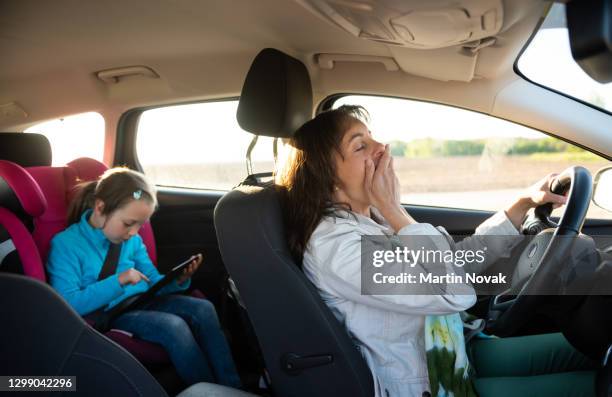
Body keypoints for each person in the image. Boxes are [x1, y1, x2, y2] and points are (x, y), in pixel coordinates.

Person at [277, 105, 597, 397]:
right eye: (360, 145)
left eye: (373, 139)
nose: (382, 149)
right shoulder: (338, 248)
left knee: (589, 348)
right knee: (590, 387)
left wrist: (523, 203)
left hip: (452, 354)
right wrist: (394, 209)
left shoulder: (369, 221)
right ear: (327, 179)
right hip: (429, 381)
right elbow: (453, 291)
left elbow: (455, 262)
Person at [47, 167, 241, 389]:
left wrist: (176, 281)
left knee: (204, 308)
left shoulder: (132, 241)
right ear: (100, 208)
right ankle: (208, 391)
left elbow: (152, 282)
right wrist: (118, 280)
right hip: (112, 312)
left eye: (140, 225)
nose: (133, 233)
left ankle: (232, 387)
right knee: (173, 326)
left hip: (144, 300)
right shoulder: (66, 245)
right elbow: (69, 304)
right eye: (129, 224)